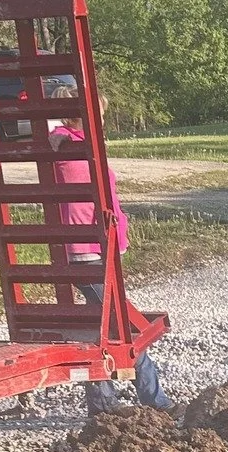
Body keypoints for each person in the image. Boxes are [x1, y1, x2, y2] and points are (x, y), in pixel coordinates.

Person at [44, 74, 170, 414]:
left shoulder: (75, 145)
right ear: (81, 117)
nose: (102, 121)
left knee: (101, 327)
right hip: (88, 251)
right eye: (97, 114)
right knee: (123, 325)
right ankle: (155, 401)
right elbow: (99, 201)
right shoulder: (76, 149)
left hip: (92, 248)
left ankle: (104, 403)